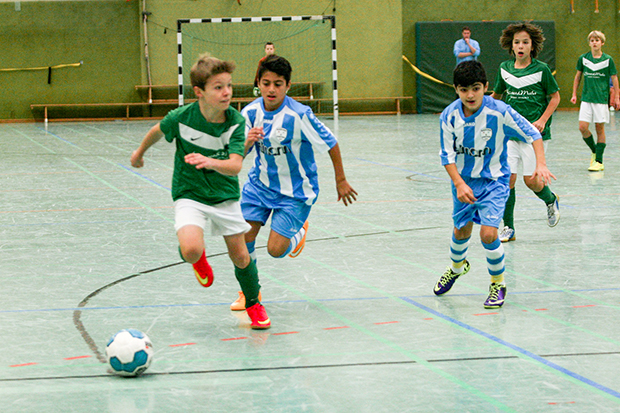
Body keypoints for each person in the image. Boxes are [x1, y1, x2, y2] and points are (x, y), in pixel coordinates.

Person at [130, 53, 271, 330]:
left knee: (241, 257)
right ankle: (198, 259)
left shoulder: (235, 122)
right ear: (199, 92)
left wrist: (210, 162)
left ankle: (253, 302)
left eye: (228, 85)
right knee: (192, 249)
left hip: (225, 195)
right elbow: (158, 130)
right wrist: (139, 152)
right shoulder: (182, 117)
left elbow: (234, 165)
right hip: (190, 193)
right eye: (218, 87)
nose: (226, 92)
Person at [229, 55, 358, 311]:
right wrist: (248, 142)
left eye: (278, 83)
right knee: (243, 239)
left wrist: (340, 179)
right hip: (259, 186)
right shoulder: (250, 112)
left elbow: (331, 143)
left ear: (288, 85)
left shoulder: (300, 115)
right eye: (266, 83)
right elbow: (238, 156)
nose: (271, 89)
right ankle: (250, 292)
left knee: (275, 250)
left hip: (295, 192)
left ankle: (298, 231)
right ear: (258, 83)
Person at [434, 60, 555, 308]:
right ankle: (457, 267)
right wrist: (458, 183)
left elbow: (533, 133)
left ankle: (497, 283)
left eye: (476, 88)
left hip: (495, 181)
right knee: (461, 231)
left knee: (488, 234)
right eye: (464, 89)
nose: (470, 95)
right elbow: (446, 155)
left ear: (486, 87)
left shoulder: (500, 111)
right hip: (465, 182)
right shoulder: (449, 116)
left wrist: (540, 163)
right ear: (456, 89)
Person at [491, 22, 561, 243]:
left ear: (532, 46)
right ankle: (508, 227)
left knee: (531, 181)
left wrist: (542, 120)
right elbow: (496, 96)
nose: (520, 46)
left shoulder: (542, 70)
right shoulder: (504, 68)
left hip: (534, 135)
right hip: (509, 134)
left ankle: (550, 199)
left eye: (525, 42)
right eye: (517, 42)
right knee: (507, 179)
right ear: (511, 46)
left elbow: (555, 98)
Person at [570, 30, 620, 171]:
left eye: (597, 40)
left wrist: (616, 97)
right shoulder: (583, 58)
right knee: (582, 127)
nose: (594, 42)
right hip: (586, 99)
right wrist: (574, 93)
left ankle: (599, 161)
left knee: (599, 128)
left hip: (601, 99)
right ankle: (594, 150)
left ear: (602, 42)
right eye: (592, 40)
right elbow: (578, 76)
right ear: (589, 43)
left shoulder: (608, 60)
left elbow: (614, 78)